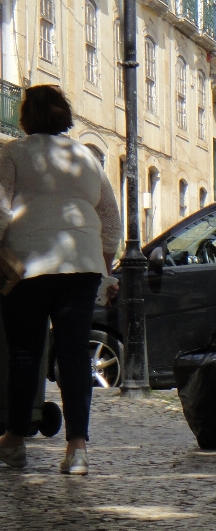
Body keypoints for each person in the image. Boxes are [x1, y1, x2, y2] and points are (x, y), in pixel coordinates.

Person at [0, 86, 121, 475]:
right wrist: (104, 267)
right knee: (73, 356)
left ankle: (15, 441)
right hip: (80, 266)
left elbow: (1, 212)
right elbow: (110, 218)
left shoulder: (12, 154)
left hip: (28, 265)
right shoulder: (86, 157)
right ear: (63, 115)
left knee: (24, 355)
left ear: (26, 117)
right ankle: (77, 449)